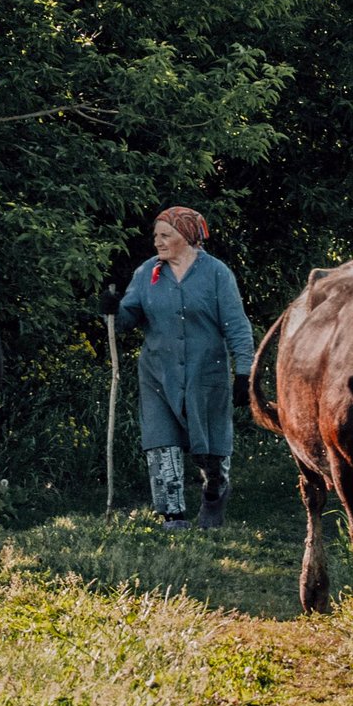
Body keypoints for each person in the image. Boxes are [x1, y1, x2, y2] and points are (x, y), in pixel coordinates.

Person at [116, 205, 254, 530]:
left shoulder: (217, 274)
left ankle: (214, 492)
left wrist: (244, 372)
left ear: (188, 236)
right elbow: (127, 318)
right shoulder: (146, 274)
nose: (158, 243)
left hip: (206, 375)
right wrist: (114, 311)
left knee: (211, 452)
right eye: (156, 236)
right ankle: (172, 518)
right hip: (158, 375)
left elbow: (237, 325)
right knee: (161, 443)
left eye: (166, 235)